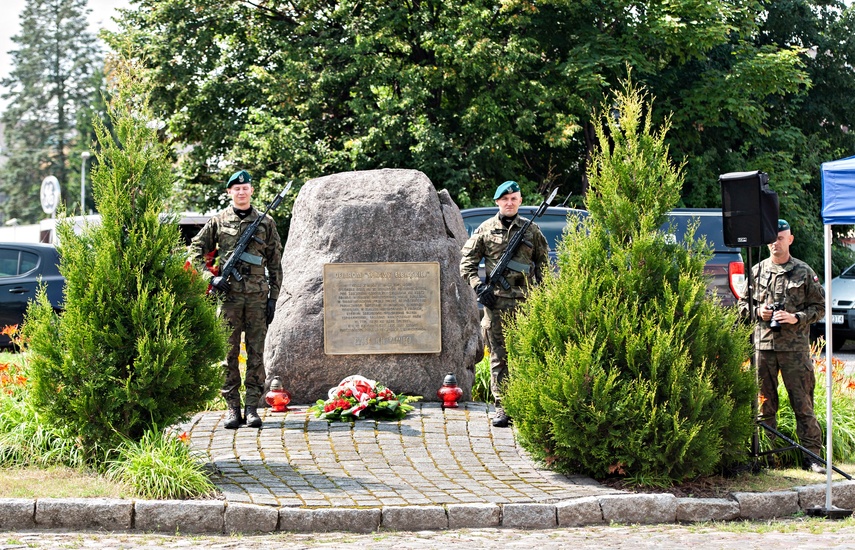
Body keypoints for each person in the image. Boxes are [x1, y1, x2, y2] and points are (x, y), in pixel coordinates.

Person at [189, 170, 283, 429]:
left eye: (245, 188)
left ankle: (252, 408)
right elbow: (195, 250)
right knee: (227, 355)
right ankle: (233, 408)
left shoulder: (266, 223)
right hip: (228, 298)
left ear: (251, 191)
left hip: (256, 298)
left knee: (256, 354)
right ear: (229, 192)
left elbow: (275, 264)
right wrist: (209, 277)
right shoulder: (218, 221)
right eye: (236, 189)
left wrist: (273, 298)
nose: (241, 192)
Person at [738, 219, 826, 473]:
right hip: (763, 347)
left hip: (794, 349)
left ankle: (812, 458)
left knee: (803, 403)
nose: (775, 243)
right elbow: (742, 306)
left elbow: (819, 308)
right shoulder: (756, 271)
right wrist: (759, 312)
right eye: (772, 239)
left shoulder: (803, 271)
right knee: (764, 404)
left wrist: (795, 317)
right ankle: (766, 457)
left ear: (790, 239)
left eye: (780, 238)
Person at [460, 181, 549, 427]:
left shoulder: (532, 232)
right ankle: (503, 408)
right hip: (496, 304)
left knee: (526, 355)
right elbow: (466, 263)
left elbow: (543, 267)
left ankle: (526, 405)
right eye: (505, 199)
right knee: (500, 357)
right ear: (497, 201)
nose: (509, 203)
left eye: (514, 198)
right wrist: (479, 287)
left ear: (520, 201)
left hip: (526, 305)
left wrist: (543, 299)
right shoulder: (485, 230)